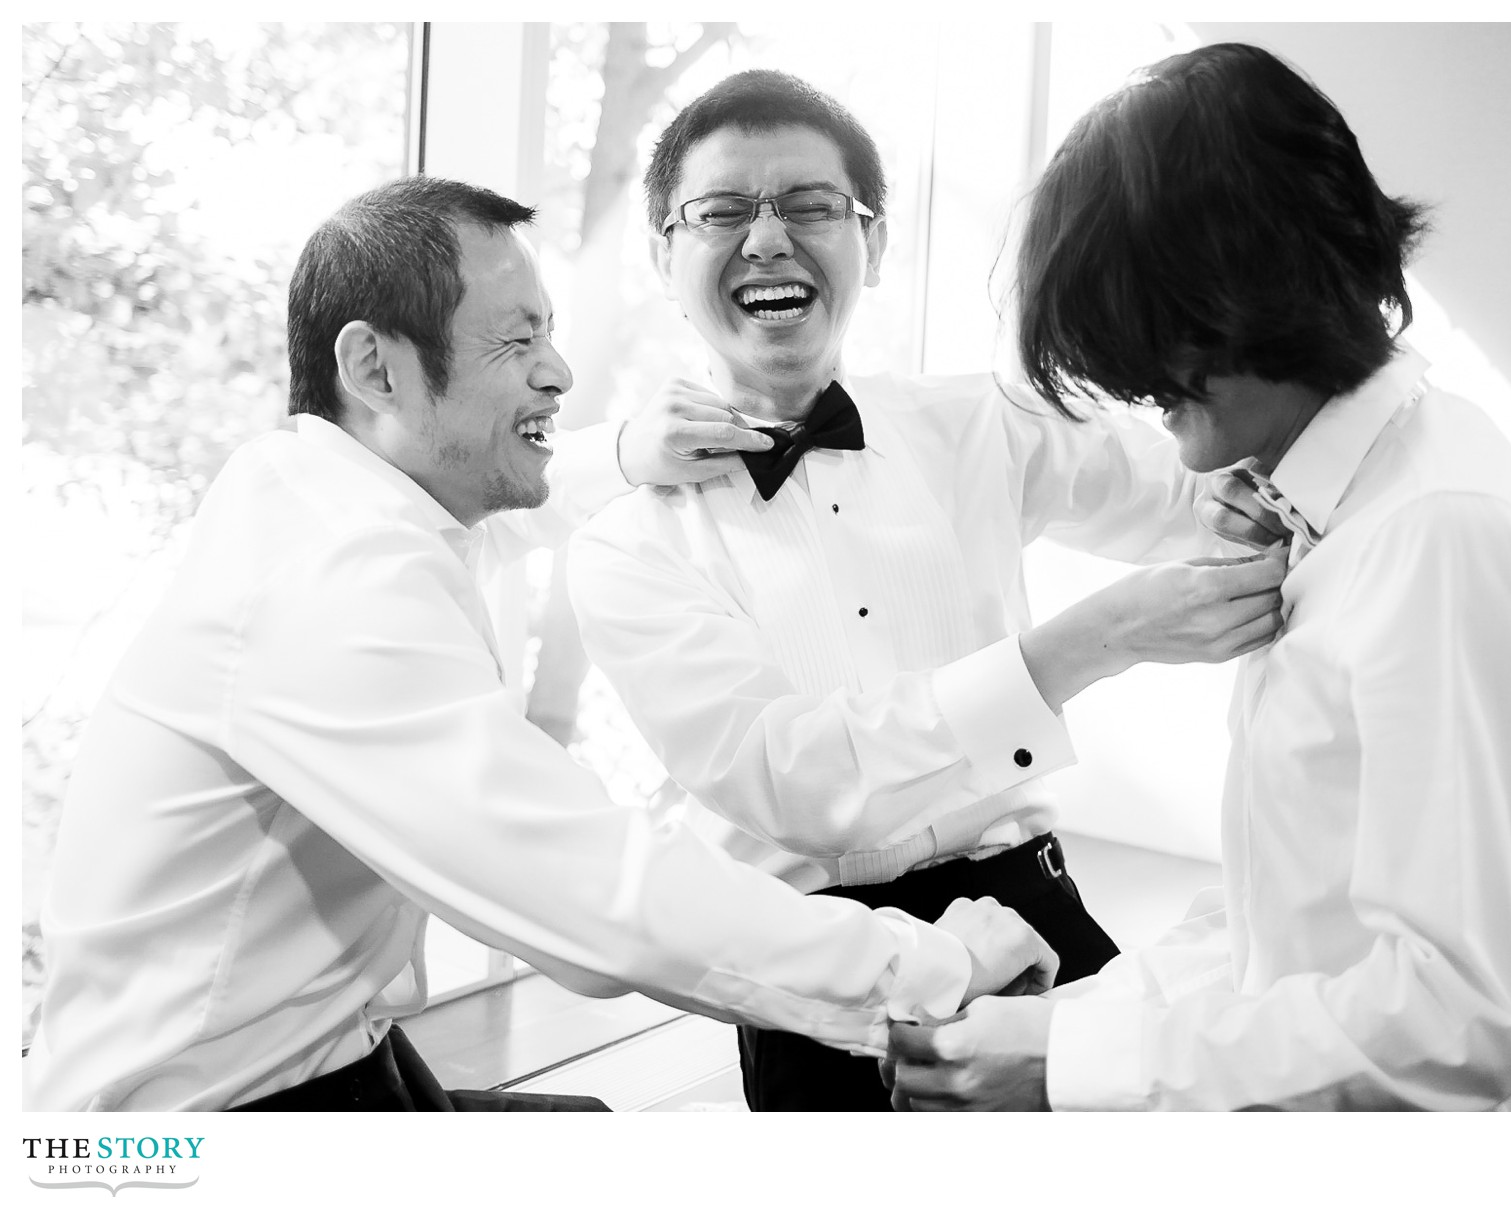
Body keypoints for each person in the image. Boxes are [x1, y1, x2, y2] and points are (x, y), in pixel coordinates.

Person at [22, 175, 1063, 1113]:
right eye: (516, 342)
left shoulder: (318, 495)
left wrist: (626, 454)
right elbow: (596, 890)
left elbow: (517, 499)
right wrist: (923, 969)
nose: (560, 371)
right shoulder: (332, 584)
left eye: (551, 333)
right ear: (374, 366)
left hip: (341, 1057)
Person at [885, 42, 1511, 1112]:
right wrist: (1075, 1026)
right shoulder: (1351, 502)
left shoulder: (1440, 542)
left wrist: (1074, 1065)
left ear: (1245, 284)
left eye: (1140, 332)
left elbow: (1459, 1018)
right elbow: (1285, 917)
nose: (1127, 382)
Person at [565, 69, 1288, 1112]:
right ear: (663, 256)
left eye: (810, 205)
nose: (766, 241)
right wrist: (1089, 642)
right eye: (722, 212)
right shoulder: (624, 547)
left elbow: (1203, 483)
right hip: (823, 965)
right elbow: (792, 782)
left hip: (1037, 909)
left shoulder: (981, 426)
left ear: (875, 241)